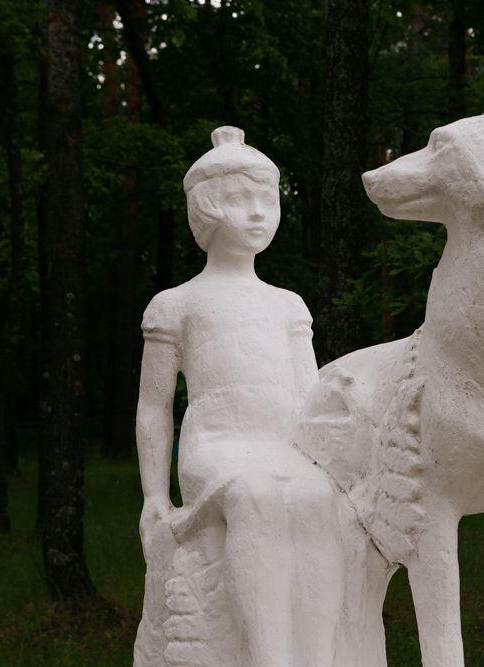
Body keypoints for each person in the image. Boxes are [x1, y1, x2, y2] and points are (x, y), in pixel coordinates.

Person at [135, 126, 343, 666]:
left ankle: (316, 658)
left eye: (267, 200)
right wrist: (154, 496)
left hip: (284, 444)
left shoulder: (288, 305)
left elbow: (311, 397)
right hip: (217, 446)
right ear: (204, 208)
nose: (257, 213)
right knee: (253, 496)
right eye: (239, 199)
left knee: (317, 501)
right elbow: (154, 405)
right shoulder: (176, 304)